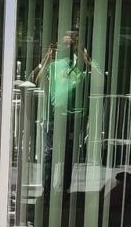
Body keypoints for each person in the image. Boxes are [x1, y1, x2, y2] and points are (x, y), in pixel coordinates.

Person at [36, 26, 90, 201]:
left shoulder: (80, 62)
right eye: (66, 41)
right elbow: (37, 81)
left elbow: (97, 76)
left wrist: (81, 50)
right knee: (50, 153)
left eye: (73, 40)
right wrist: (47, 57)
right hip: (53, 115)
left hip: (74, 116)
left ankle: (65, 190)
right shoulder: (54, 62)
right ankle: (47, 190)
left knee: (68, 153)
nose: (68, 44)